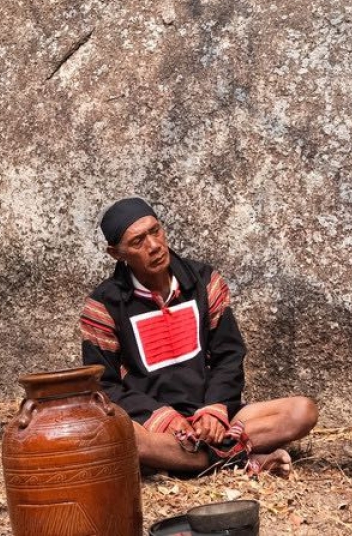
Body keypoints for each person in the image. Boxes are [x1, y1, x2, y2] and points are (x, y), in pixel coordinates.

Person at [80, 197, 317, 476]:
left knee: (303, 411)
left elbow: (228, 355)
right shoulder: (103, 307)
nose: (154, 246)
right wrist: (161, 417)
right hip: (155, 426)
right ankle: (237, 459)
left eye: (155, 231)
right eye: (137, 242)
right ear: (115, 253)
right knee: (126, 438)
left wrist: (214, 409)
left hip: (216, 418)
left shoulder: (205, 282)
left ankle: (189, 461)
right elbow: (104, 387)